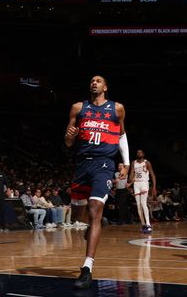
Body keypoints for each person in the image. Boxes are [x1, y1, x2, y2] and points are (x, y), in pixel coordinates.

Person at [64, 75, 129, 289]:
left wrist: (126, 163)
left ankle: (87, 268)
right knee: (77, 214)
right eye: (91, 80)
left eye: (99, 80)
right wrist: (70, 136)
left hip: (104, 163)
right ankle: (94, 225)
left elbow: (121, 135)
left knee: (95, 208)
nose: (94, 82)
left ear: (105, 87)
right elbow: (68, 141)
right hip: (82, 163)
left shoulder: (117, 108)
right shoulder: (78, 108)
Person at [127, 149, 157, 233]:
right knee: (138, 205)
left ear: (143, 154)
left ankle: (148, 224)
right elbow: (130, 178)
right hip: (136, 184)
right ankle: (143, 224)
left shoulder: (147, 163)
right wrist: (131, 177)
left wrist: (154, 187)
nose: (139, 153)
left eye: (140, 152)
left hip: (144, 183)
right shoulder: (133, 163)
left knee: (143, 203)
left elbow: (153, 175)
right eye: (137, 152)